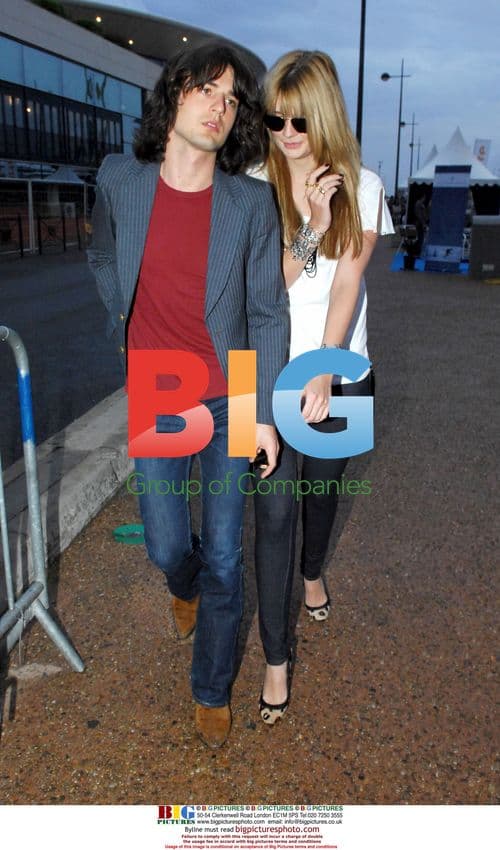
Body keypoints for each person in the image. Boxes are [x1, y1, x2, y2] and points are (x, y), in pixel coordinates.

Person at [88, 44, 288, 747]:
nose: (219, 106)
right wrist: (124, 314)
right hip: (158, 394)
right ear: (174, 94)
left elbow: (267, 311)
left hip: (229, 394)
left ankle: (210, 689)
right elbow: (101, 251)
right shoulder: (119, 179)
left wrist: (263, 414)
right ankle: (183, 584)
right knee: (169, 543)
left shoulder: (251, 203)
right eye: (207, 89)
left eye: (231, 99)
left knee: (229, 556)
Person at [251, 50, 393, 724]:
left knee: (323, 492)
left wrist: (328, 369)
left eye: (298, 119)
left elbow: (348, 281)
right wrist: (307, 223)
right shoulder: (254, 185)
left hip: (342, 369)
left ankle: (314, 571)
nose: (285, 133)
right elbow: (260, 292)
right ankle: (275, 659)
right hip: (265, 372)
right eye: (273, 118)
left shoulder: (364, 185)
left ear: (325, 111)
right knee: (272, 514)